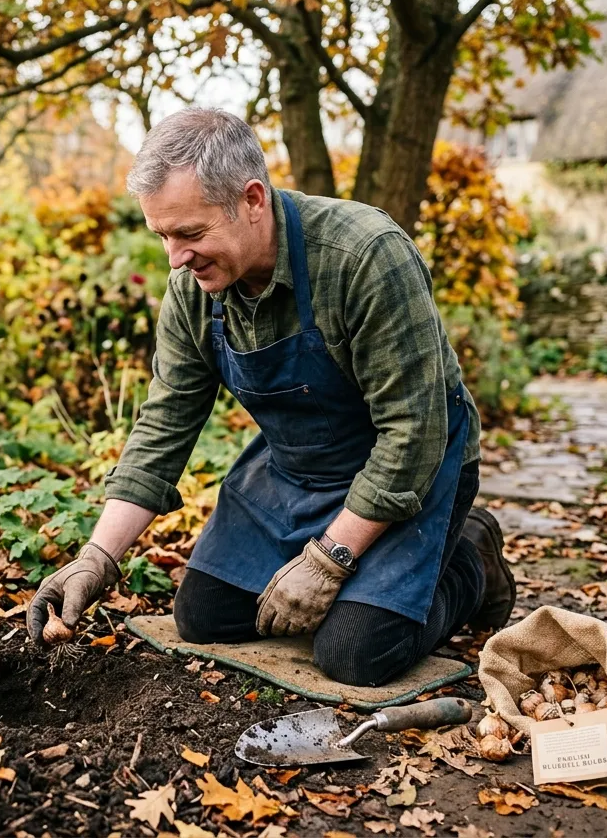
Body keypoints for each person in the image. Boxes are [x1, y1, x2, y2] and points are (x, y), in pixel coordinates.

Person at [26, 108, 515, 686]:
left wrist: (329, 560)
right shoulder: (194, 287)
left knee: (355, 655)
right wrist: (96, 559)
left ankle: (469, 561)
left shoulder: (365, 257)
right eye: (163, 235)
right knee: (203, 617)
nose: (174, 259)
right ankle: (374, 576)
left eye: (189, 233)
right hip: (298, 469)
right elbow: (164, 422)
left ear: (252, 199)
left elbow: (413, 432)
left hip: (414, 465)